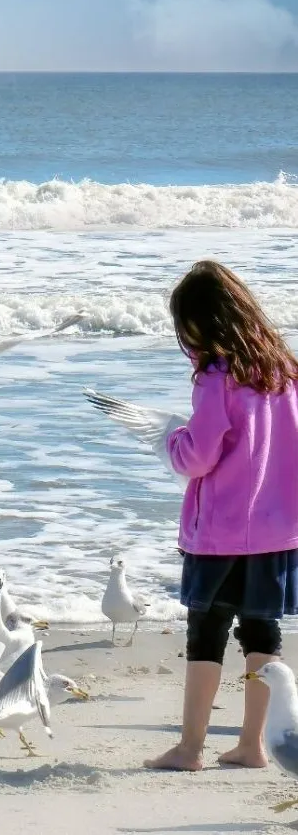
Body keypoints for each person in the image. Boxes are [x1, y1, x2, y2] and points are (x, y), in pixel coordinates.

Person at [144, 260, 298, 772]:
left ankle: (191, 748)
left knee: (205, 635)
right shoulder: (284, 372)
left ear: (203, 326)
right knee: (263, 635)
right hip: (278, 532)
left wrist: (172, 443)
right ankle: (254, 744)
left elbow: (200, 455)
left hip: (222, 534)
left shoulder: (217, 378)